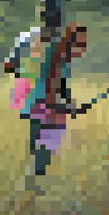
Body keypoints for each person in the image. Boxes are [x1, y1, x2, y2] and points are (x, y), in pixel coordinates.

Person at [20, 20, 90, 188]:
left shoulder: (62, 59)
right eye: (79, 44)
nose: (82, 49)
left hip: (40, 109)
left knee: (38, 159)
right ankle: (30, 191)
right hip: (44, 111)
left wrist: (71, 105)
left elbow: (62, 88)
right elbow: (51, 93)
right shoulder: (56, 59)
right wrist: (68, 108)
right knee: (40, 160)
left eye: (84, 44)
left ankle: (30, 190)